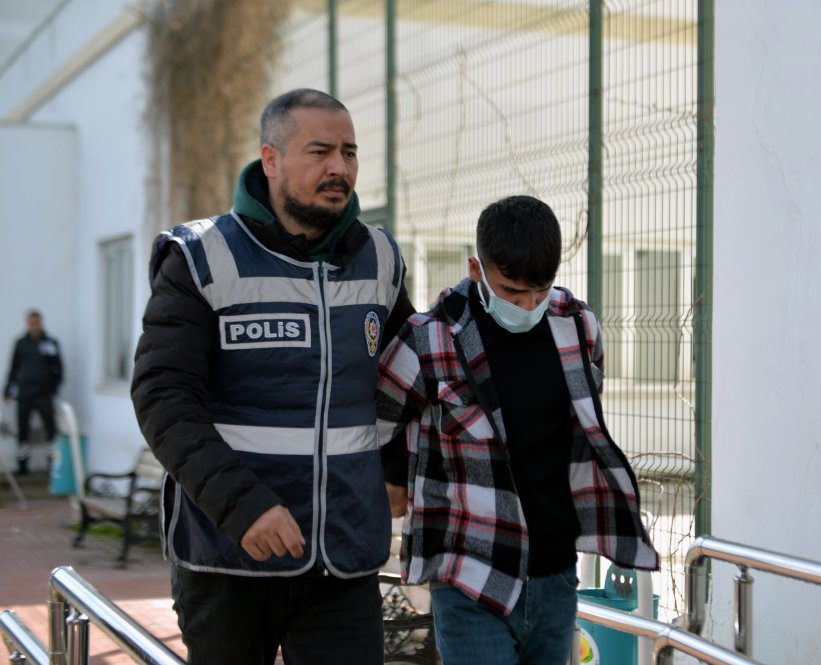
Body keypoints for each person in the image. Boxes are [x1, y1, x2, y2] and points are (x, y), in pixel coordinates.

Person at [131, 88, 414, 665]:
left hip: (344, 554)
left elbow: (405, 379)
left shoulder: (381, 259)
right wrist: (244, 507)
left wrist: (396, 468)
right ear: (271, 159)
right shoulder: (201, 256)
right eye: (320, 152)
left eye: (349, 152)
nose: (340, 168)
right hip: (228, 555)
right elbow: (163, 396)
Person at [376, 195, 659, 665]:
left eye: (539, 290)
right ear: (476, 269)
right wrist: (398, 480)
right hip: (470, 573)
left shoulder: (579, 327)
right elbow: (376, 423)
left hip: (556, 575)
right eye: (510, 291)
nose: (527, 305)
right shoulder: (429, 339)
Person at [4, 310, 63, 475]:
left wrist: (53, 388)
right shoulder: (21, 343)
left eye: (36, 323)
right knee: (23, 430)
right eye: (31, 323)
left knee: (50, 429)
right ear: (27, 324)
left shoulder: (50, 342)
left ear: (41, 323)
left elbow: (58, 368)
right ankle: (23, 465)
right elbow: (14, 367)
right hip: (25, 393)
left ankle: (52, 463)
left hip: (44, 393)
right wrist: (8, 390)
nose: (34, 326)